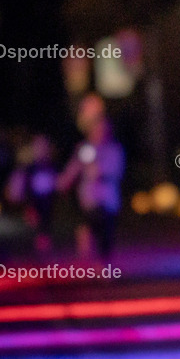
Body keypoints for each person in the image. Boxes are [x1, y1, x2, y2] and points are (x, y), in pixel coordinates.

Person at [57, 93, 124, 260]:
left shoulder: (113, 150)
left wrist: (98, 169)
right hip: (89, 199)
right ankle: (88, 262)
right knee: (86, 227)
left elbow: (114, 172)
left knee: (105, 235)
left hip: (108, 199)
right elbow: (74, 168)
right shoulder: (85, 148)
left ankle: (105, 266)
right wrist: (63, 181)